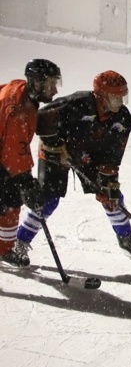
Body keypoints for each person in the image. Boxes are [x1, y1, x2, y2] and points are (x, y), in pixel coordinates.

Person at [14, 71, 131, 262]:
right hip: (56, 154)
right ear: (100, 95)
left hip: (87, 157)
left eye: (122, 95)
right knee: (47, 200)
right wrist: (54, 144)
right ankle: (20, 242)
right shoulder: (78, 103)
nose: (119, 101)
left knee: (111, 197)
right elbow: (42, 116)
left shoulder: (123, 120)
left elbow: (112, 156)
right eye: (114, 96)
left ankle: (125, 237)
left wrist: (108, 181)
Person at [0, 59, 62, 267]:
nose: (54, 89)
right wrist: (26, 181)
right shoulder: (17, 109)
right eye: (50, 83)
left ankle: (4, 249)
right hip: (4, 154)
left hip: (4, 153)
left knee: (11, 198)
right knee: (9, 195)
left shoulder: (23, 92)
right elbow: (13, 153)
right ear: (36, 82)